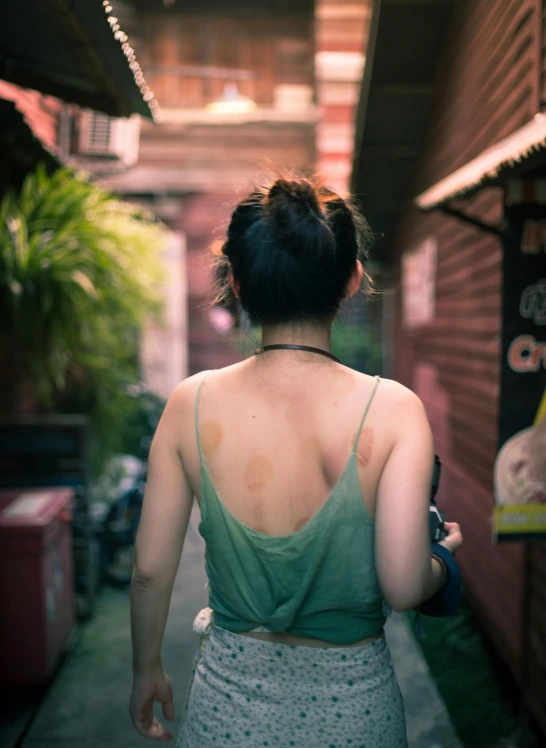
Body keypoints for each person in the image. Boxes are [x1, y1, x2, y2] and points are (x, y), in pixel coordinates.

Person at [129, 176, 463, 747]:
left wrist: (147, 669)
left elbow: (151, 570)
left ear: (235, 282)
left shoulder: (191, 402)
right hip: (357, 713)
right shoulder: (394, 409)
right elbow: (405, 585)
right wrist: (440, 557)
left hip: (227, 712)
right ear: (353, 278)